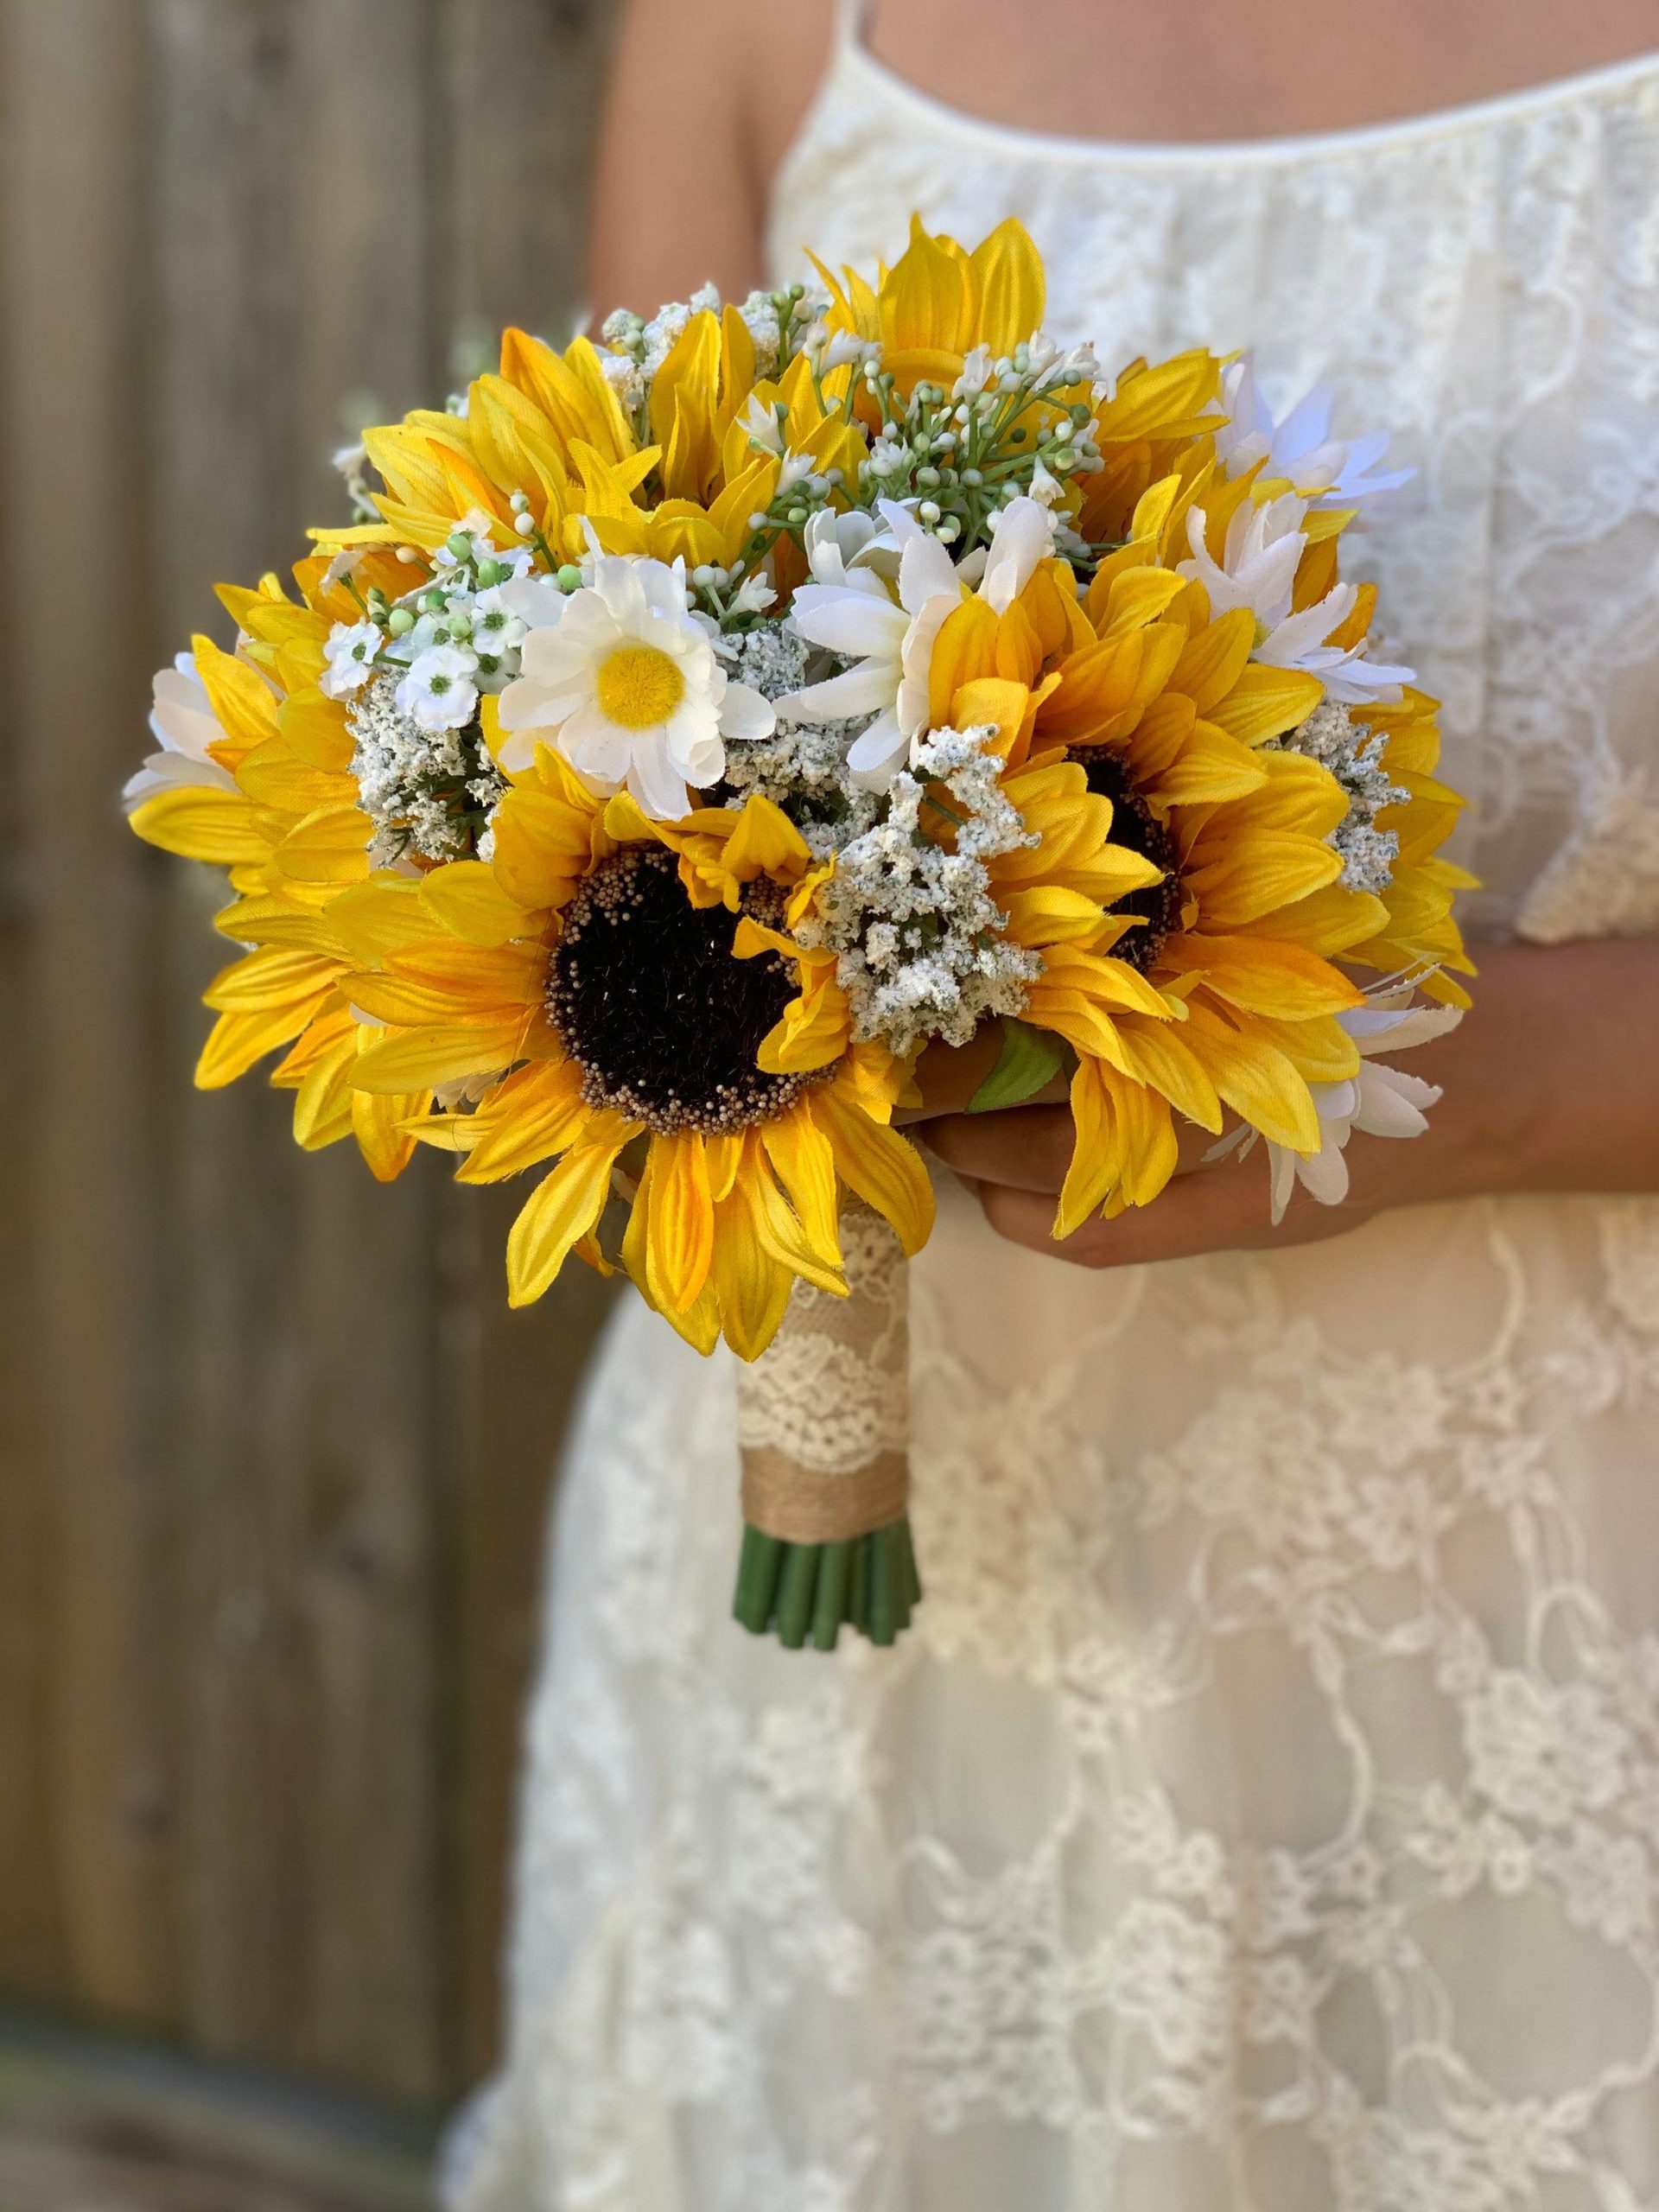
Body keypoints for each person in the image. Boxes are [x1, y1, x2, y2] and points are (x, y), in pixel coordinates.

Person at [446, 3, 1659, 2203]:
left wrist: (1450, 1086)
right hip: (901, 1599)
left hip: (1574, 1613)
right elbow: (599, 687)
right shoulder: (760, 25)